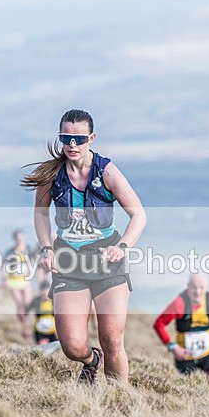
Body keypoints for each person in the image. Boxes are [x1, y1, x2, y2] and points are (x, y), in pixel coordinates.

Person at [21, 109, 147, 384]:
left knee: (112, 337)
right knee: (72, 346)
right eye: (66, 137)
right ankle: (92, 361)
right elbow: (40, 214)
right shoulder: (50, 174)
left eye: (78, 138)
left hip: (107, 260)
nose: (72, 145)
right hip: (68, 261)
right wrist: (46, 248)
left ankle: (118, 399)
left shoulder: (108, 172)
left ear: (92, 138)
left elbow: (139, 215)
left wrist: (122, 247)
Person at [153, 274, 209, 385]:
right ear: (188, 286)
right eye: (194, 287)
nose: (198, 292)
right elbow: (159, 324)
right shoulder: (179, 303)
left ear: (206, 288)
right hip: (185, 356)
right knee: (191, 389)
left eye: (201, 288)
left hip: (207, 353)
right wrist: (173, 347)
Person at [2, 229, 35, 339]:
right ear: (15, 239)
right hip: (13, 281)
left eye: (21, 238)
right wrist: (5, 279)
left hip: (25, 280)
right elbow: (4, 266)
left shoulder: (29, 249)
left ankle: (26, 321)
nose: (20, 240)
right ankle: (25, 328)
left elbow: (33, 262)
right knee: (20, 303)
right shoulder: (10, 251)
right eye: (18, 238)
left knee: (27, 303)